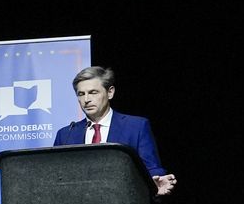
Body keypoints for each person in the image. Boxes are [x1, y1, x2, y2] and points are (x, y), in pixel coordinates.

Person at [53, 66, 175, 196]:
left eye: (93, 92)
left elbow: (151, 168)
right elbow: (55, 177)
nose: (86, 100)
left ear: (110, 92)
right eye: (81, 94)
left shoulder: (136, 127)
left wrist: (156, 182)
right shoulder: (66, 134)